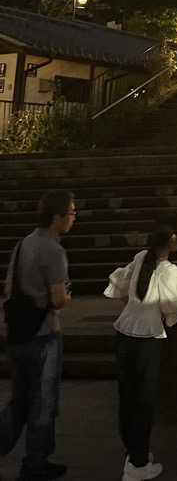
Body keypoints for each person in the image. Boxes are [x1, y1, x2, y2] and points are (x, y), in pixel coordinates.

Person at [0, 189, 76, 481]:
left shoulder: (23, 244)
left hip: (18, 333)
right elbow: (57, 299)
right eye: (70, 212)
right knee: (43, 402)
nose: (73, 218)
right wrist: (67, 295)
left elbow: (10, 288)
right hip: (43, 335)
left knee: (19, 399)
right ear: (56, 217)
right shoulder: (54, 250)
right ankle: (35, 464)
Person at [105, 220, 177, 480]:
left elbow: (121, 286)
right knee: (144, 400)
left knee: (128, 396)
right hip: (148, 337)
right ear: (173, 239)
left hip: (125, 332)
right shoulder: (170, 270)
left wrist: (134, 304)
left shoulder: (142, 257)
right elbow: (170, 306)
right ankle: (138, 464)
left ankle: (134, 452)